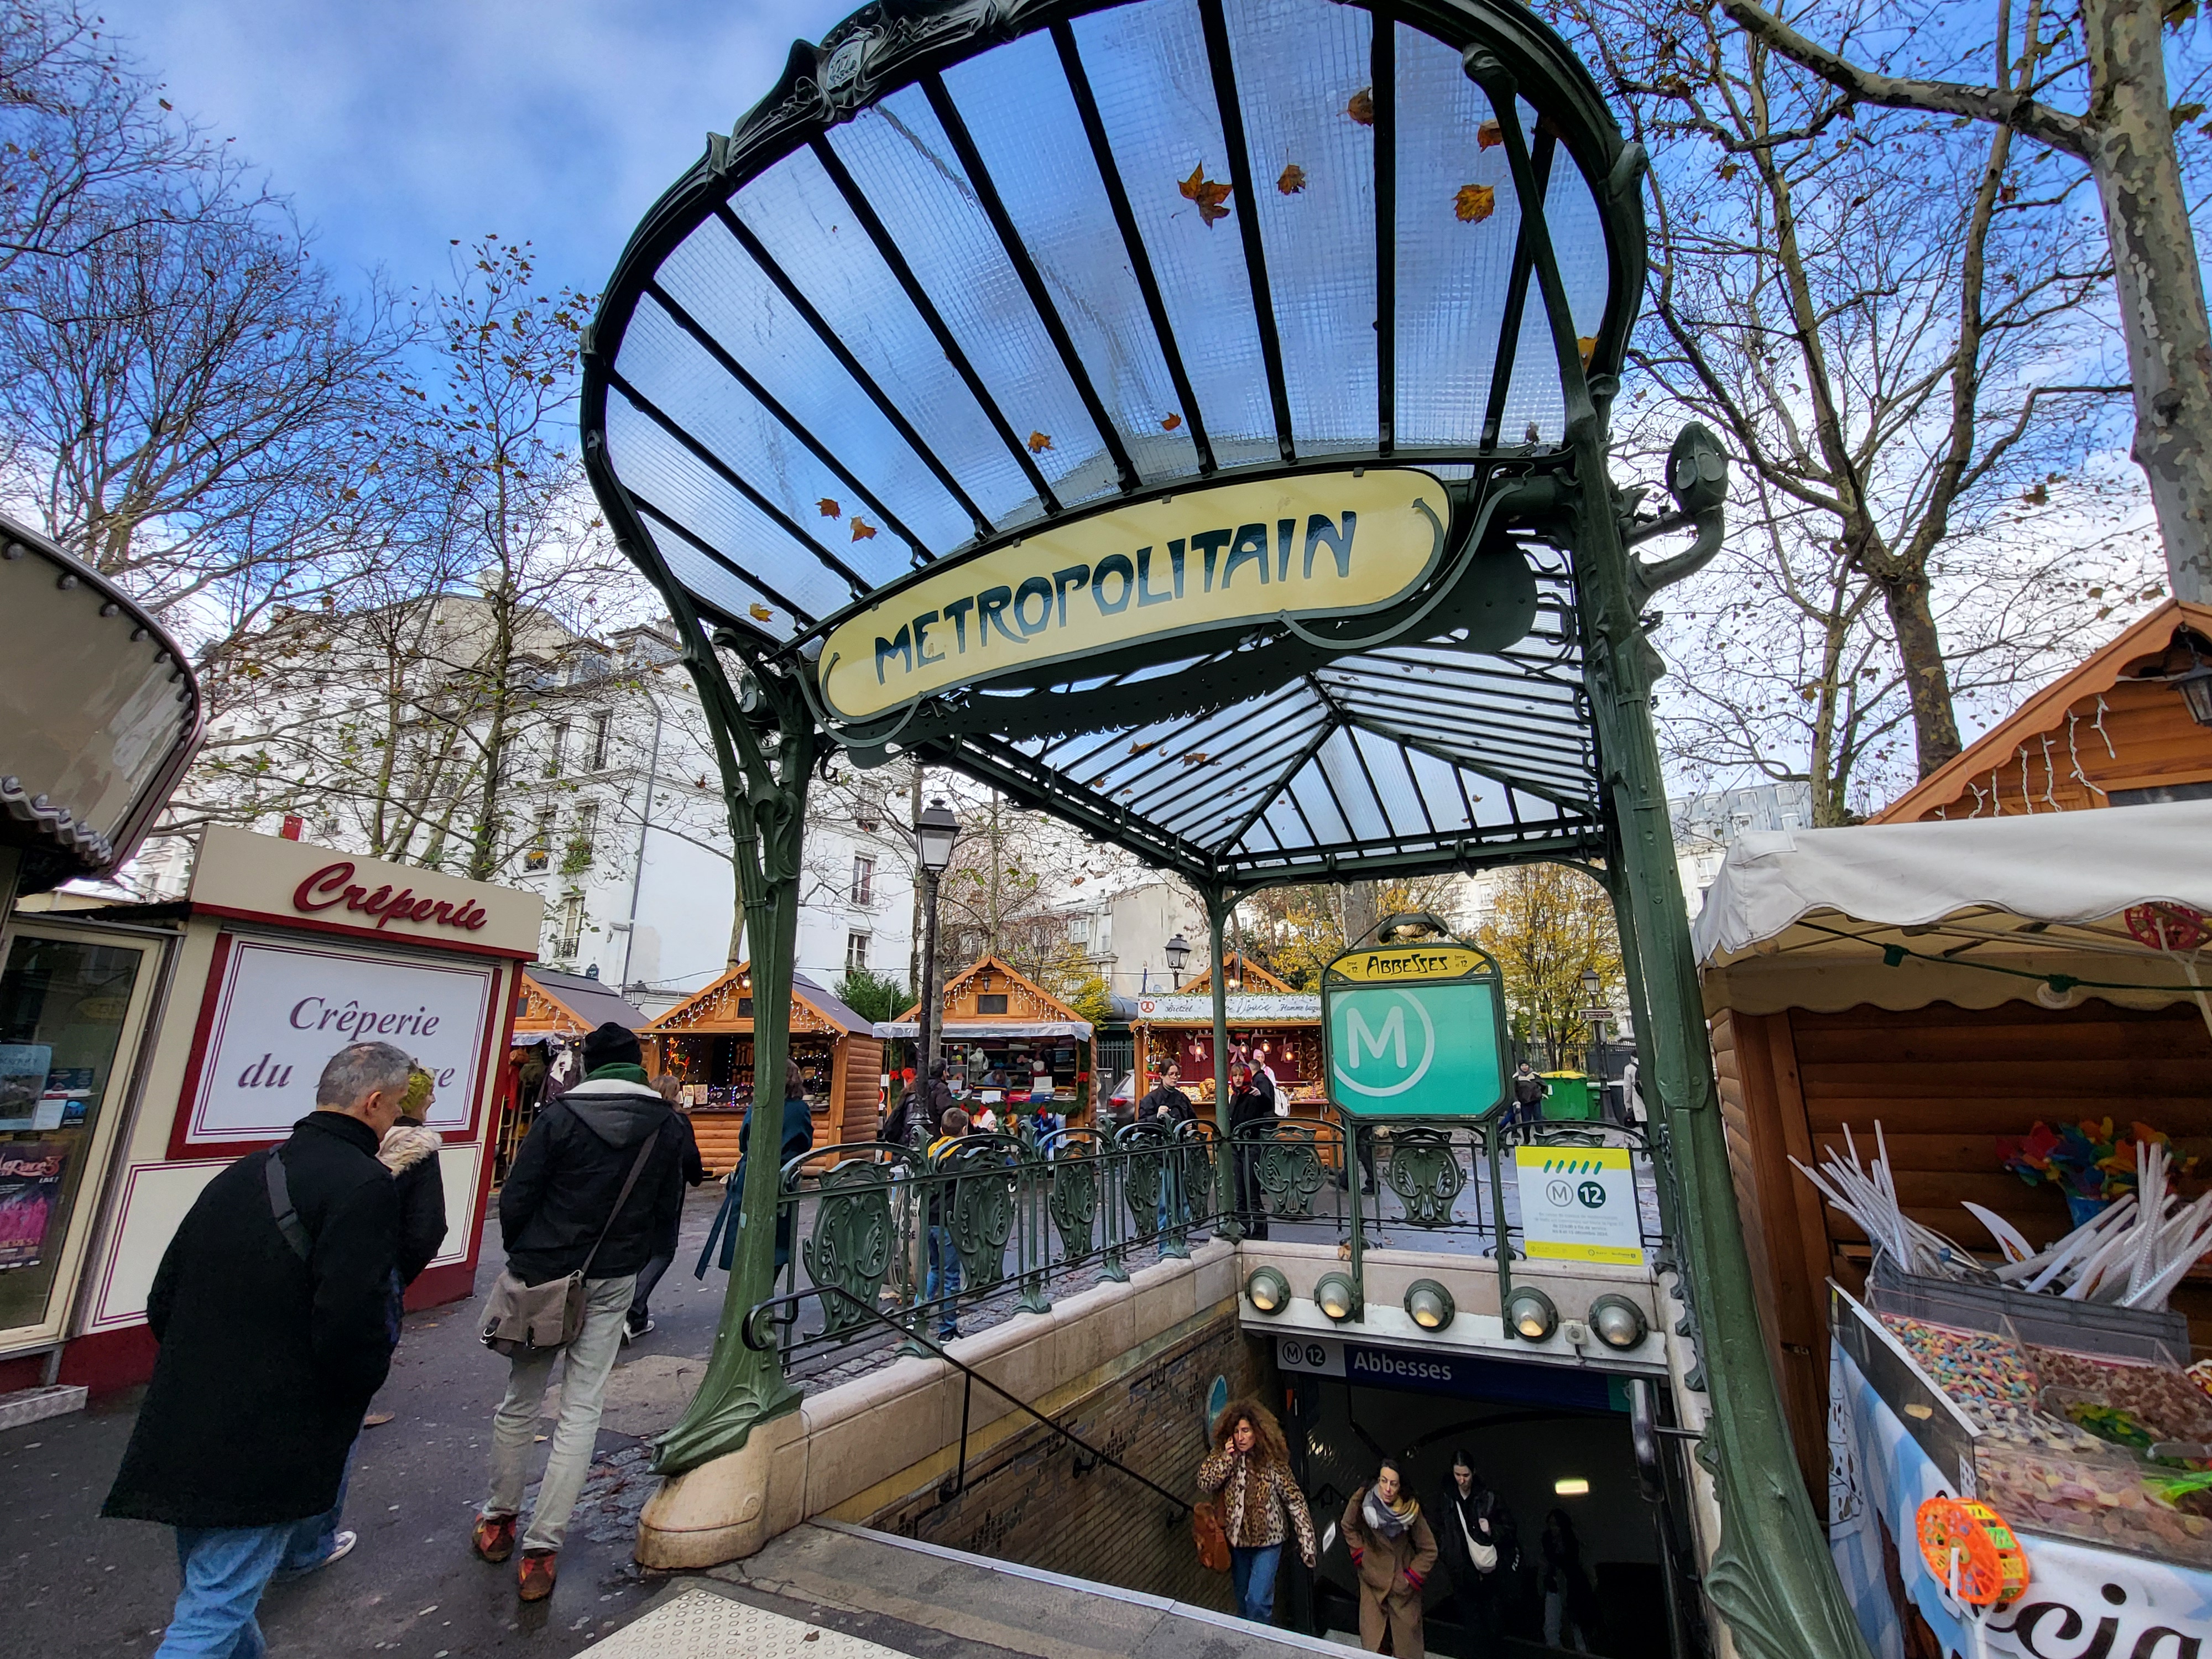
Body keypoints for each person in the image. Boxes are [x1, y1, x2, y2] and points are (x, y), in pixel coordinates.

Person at [105, 1041, 413, 1659]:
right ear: (374, 1103)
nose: (397, 1119)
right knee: (210, 1613)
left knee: (218, 1591)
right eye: (398, 1107)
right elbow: (353, 1319)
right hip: (271, 1430)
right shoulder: (364, 1185)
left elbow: (164, 1295)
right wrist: (348, 1394)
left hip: (185, 1415)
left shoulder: (246, 1170)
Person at [475, 1020, 686, 1601]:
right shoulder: (664, 1124)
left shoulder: (559, 1117)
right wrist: (632, 1260)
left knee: (520, 1401)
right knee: (581, 1407)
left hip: (544, 1271)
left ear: (589, 1064)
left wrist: (528, 1253)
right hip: (613, 1272)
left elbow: (518, 1197)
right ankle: (543, 1550)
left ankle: (499, 1520)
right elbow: (667, 1206)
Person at [1197, 1399, 1315, 1626]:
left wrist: (1307, 1542)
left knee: (1257, 1602)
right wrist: (1226, 1460)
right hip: (1238, 1543)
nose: (1241, 1437)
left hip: (1268, 1542)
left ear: (1257, 1432)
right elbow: (1204, 1482)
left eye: (1246, 1431)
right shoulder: (1225, 1455)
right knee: (1243, 1604)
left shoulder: (1272, 1462)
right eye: (1237, 1432)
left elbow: (1294, 1500)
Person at [625, 1072, 706, 1341]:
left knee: (642, 1250)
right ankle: (632, 1306)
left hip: (637, 1192)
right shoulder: (678, 1121)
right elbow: (689, 1156)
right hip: (667, 1193)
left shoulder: (639, 1118)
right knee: (663, 1251)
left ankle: (636, 1316)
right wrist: (696, 1176)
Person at [1342, 1460, 1438, 1658]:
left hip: (1402, 1589)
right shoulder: (1364, 1499)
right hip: (1372, 1584)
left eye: (1393, 1484)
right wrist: (1362, 1556)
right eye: (1383, 1481)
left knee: (1406, 1648)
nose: (1387, 1489)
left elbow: (1429, 1550)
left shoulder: (1411, 1510)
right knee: (1375, 1647)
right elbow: (1348, 1525)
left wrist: (1409, 1578)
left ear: (1400, 1486)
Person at [1436, 1454, 1517, 1658]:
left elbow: (1510, 1529)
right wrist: (1449, 1557)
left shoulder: (1488, 1497)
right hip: (1463, 1575)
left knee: (1493, 1630)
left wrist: (1491, 1530)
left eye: (1466, 1475)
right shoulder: (1447, 1498)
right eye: (1457, 1474)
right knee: (1472, 1632)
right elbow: (1438, 1531)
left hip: (1489, 1577)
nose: (1461, 1480)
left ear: (1474, 1473)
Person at [924, 1106, 975, 1340]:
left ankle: (918, 1315)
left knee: (934, 1269)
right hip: (948, 1220)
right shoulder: (962, 1155)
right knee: (951, 1275)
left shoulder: (931, 1150)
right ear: (964, 1130)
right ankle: (948, 1329)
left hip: (929, 1219)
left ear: (942, 1129)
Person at [1227, 1063, 1275, 1240]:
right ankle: (1243, 1229)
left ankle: (1260, 1233)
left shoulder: (1253, 1093)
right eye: (1235, 1075)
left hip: (1251, 1146)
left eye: (1241, 1075)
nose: (1238, 1079)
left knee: (1252, 1193)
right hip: (1237, 1147)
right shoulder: (1235, 1095)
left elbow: (1267, 1106)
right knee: (1240, 1193)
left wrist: (1260, 1095)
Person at [1539, 1508, 1597, 1651]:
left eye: (1556, 1525)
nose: (1553, 1528)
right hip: (1554, 1586)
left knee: (1577, 1624)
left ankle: (1582, 1652)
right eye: (1551, 1524)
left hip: (1574, 1587)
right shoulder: (1547, 1543)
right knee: (1551, 1626)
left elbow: (1580, 1564)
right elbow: (1544, 1566)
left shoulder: (1572, 1542)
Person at [1510, 1062, 1547, 1130]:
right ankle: (1527, 1139)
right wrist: (1517, 1101)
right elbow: (1514, 1091)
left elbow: (1544, 1085)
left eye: (1526, 1065)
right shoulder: (1516, 1077)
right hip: (1524, 1102)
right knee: (1526, 1122)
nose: (1524, 1067)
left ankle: (1541, 1138)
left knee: (1538, 1120)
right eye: (1522, 1066)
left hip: (1535, 1101)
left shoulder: (1534, 1075)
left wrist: (1541, 1094)